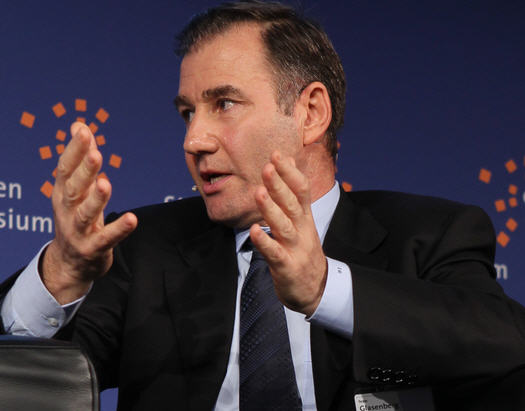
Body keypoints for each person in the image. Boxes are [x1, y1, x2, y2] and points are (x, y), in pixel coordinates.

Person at [1, 1, 525, 410]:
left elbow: (503, 344)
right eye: (187, 113)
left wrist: (325, 288)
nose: (193, 140)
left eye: (224, 104)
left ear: (310, 113)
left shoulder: (427, 235)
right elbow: (35, 379)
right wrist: (60, 275)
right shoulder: (145, 247)